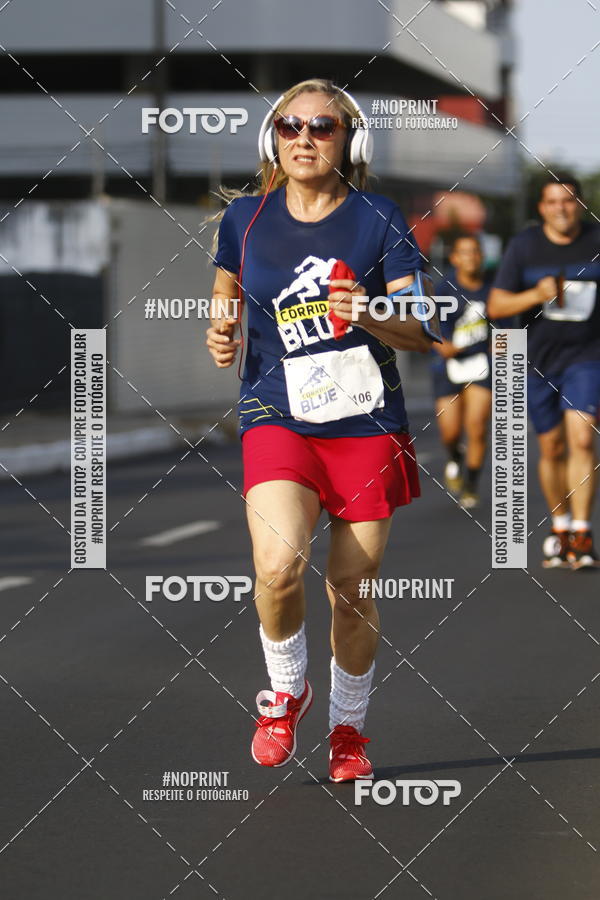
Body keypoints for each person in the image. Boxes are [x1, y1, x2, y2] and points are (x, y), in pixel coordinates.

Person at [206, 78, 433, 782]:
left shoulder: (379, 218)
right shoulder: (244, 218)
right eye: (289, 126)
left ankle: (347, 729)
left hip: (364, 420)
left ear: (349, 142)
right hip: (277, 413)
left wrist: (368, 312)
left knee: (352, 588)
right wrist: (220, 330)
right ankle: (285, 692)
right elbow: (226, 291)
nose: (303, 138)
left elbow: (421, 328)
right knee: (277, 566)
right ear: (272, 138)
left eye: (322, 127)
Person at [488, 172, 600, 569]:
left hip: (586, 356)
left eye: (568, 200)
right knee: (551, 446)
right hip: (536, 360)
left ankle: (582, 534)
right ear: (542, 208)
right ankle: (561, 526)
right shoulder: (525, 246)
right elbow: (496, 306)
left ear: (580, 204)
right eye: (553, 202)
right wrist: (536, 294)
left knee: (582, 438)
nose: (561, 209)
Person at [431, 233, 494, 509]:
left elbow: (507, 322)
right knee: (450, 430)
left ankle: (471, 484)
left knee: (477, 426)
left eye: (475, 251)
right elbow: (426, 325)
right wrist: (441, 344)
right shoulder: (443, 289)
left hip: (482, 364)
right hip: (449, 366)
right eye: (465, 252)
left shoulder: (493, 288)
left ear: (482, 256)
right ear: (455, 258)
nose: (471, 257)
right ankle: (455, 455)